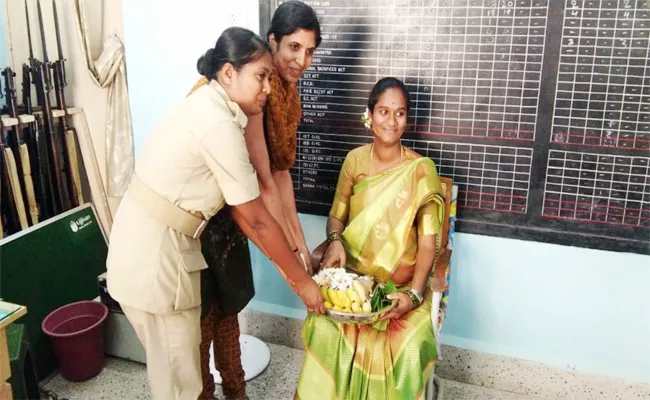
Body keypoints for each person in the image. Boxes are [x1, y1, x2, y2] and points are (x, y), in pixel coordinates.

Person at [105, 27, 324, 400]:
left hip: (152, 246)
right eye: (260, 76)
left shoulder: (213, 106)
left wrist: (294, 256)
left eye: (269, 77)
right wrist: (303, 283)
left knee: (178, 375)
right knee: (181, 386)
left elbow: (254, 204)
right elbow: (252, 216)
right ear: (227, 73)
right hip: (156, 258)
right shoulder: (219, 124)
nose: (268, 88)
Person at [191, 2, 322, 399]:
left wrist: (300, 243)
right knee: (202, 322)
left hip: (236, 210)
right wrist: (295, 273)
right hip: (205, 215)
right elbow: (263, 184)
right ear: (273, 42)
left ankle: (235, 390)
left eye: (310, 51)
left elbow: (280, 171)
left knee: (228, 309)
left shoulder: (285, 93)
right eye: (294, 48)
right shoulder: (251, 91)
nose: (301, 60)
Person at [295, 77, 446, 400]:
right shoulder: (355, 161)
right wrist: (335, 239)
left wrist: (415, 296)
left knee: (408, 346)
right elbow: (337, 215)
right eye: (383, 111)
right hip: (357, 286)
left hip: (404, 290)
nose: (392, 122)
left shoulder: (422, 171)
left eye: (401, 113)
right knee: (323, 327)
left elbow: (429, 245)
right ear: (369, 114)